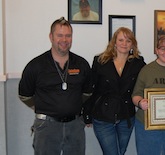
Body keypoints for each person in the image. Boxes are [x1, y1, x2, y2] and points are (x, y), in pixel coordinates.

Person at [18, 17, 92, 155]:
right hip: (46, 127)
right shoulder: (35, 66)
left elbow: (87, 93)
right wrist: (42, 107)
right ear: (51, 37)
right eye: (60, 35)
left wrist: (71, 105)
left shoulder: (82, 64)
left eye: (68, 36)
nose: (64, 40)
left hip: (75, 126)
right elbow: (24, 95)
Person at [82, 27, 146, 155]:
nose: (124, 44)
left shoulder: (138, 63)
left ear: (132, 44)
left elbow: (150, 75)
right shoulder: (100, 60)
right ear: (114, 42)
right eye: (121, 40)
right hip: (102, 116)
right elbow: (90, 89)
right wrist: (86, 114)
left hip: (126, 116)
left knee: (120, 152)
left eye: (128, 41)